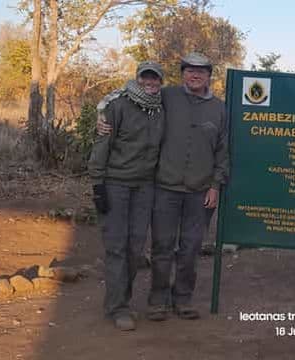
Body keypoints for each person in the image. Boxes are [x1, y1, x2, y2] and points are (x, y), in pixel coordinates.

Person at [97, 52, 229, 321]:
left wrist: (216, 184)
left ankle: (183, 298)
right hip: (164, 187)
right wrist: (100, 117)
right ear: (182, 74)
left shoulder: (219, 108)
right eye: (189, 70)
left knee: (191, 247)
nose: (195, 75)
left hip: (200, 190)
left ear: (209, 76)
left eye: (201, 71)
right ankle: (158, 299)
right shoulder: (166, 96)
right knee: (161, 246)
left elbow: (223, 150)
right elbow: (127, 97)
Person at [88, 61, 165, 331]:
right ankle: (117, 307)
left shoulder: (160, 108)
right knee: (116, 247)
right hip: (116, 184)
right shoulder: (118, 105)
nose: (150, 83)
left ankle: (123, 300)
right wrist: (98, 185)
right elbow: (101, 145)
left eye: (155, 79)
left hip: (145, 187)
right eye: (146, 78)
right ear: (137, 78)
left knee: (135, 249)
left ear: (160, 82)